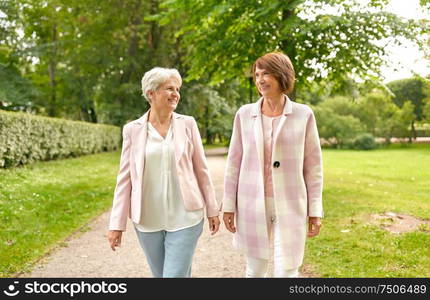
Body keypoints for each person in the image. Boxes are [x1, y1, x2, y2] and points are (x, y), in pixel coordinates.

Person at [107, 67, 220, 278]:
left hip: (186, 217)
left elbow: (201, 170)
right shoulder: (132, 129)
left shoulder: (188, 124)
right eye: (169, 88)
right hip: (148, 220)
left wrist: (213, 209)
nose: (176, 93)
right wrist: (116, 224)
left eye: (177, 89)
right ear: (151, 93)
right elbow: (124, 180)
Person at [222, 52, 323, 278]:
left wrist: (315, 211)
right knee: (255, 269)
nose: (260, 79)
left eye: (266, 73)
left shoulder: (303, 114)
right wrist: (228, 204)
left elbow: (314, 168)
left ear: (281, 75)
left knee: (287, 270)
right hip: (251, 201)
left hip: (290, 202)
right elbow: (233, 162)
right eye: (257, 75)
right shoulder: (244, 115)